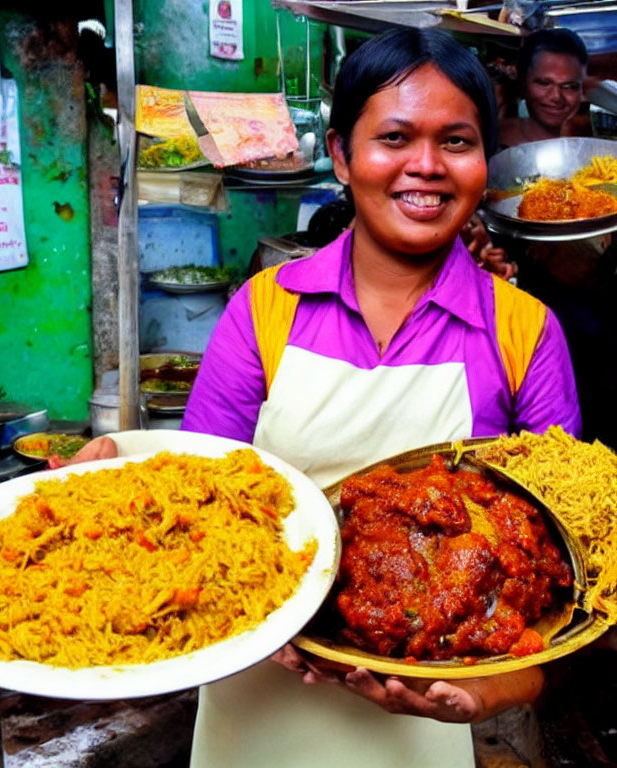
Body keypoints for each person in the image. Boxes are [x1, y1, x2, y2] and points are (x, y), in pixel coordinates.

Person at [77, 27, 580, 768]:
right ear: (343, 155)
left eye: (457, 142)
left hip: (426, 705)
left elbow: (570, 571)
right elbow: (199, 493)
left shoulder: (523, 333)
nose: (425, 167)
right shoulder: (262, 311)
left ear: (485, 161)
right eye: (396, 137)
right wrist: (119, 480)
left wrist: (493, 692)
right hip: (257, 682)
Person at [499, 27, 588, 148]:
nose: (556, 96)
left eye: (569, 86)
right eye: (544, 83)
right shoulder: (493, 142)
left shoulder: (587, 151)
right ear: (523, 82)